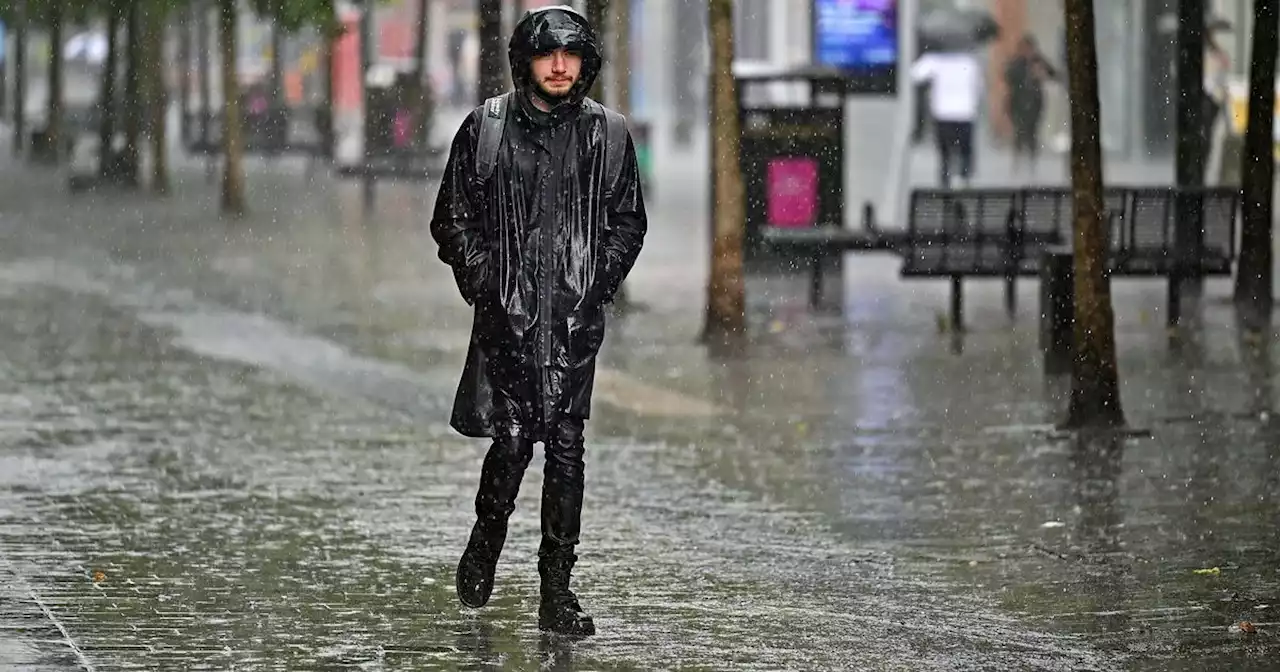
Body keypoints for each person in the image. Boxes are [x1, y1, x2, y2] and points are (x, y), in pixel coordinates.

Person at [429, 5, 647, 638]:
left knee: (569, 449)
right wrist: (487, 285)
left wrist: (594, 285)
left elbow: (628, 223)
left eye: (570, 55)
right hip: (507, 320)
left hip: (575, 327)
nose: (558, 66)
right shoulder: (487, 129)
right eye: (547, 54)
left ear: (586, 62)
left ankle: (557, 591)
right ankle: (486, 539)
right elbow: (454, 217)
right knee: (514, 439)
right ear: (525, 59)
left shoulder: (608, 134)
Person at [911, 48, 983, 188]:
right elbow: (979, 88)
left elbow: (915, 75)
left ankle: (945, 179)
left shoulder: (935, 60)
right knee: (965, 149)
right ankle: (964, 178)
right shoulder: (970, 62)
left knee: (945, 151)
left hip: (944, 113)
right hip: (965, 112)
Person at [1004, 35, 1058, 173]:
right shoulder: (1016, 62)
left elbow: (1054, 74)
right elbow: (1008, 77)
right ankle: (1017, 161)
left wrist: (1042, 74)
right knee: (1019, 132)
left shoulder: (1038, 61)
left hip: (1034, 102)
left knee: (1032, 132)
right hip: (1017, 102)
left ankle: (1031, 162)